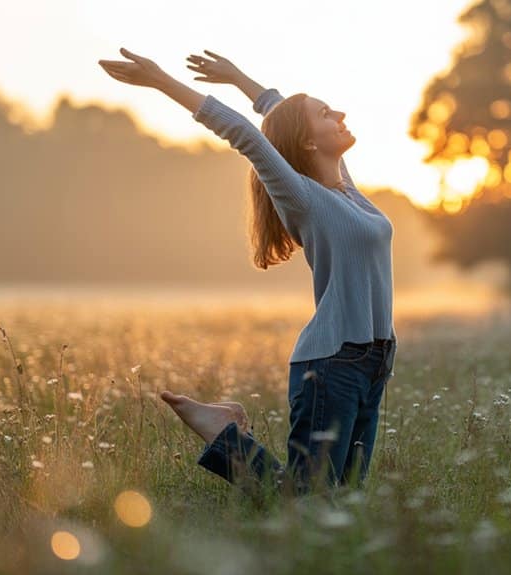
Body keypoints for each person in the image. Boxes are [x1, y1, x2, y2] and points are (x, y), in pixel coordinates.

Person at [98, 48, 397, 495]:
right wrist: (161, 80)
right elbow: (246, 134)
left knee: (341, 503)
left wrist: (239, 77)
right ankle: (225, 437)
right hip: (333, 362)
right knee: (309, 502)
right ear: (309, 142)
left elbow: (279, 109)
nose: (340, 113)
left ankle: (227, 431)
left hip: (375, 361)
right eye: (325, 113)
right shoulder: (304, 198)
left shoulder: (345, 188)